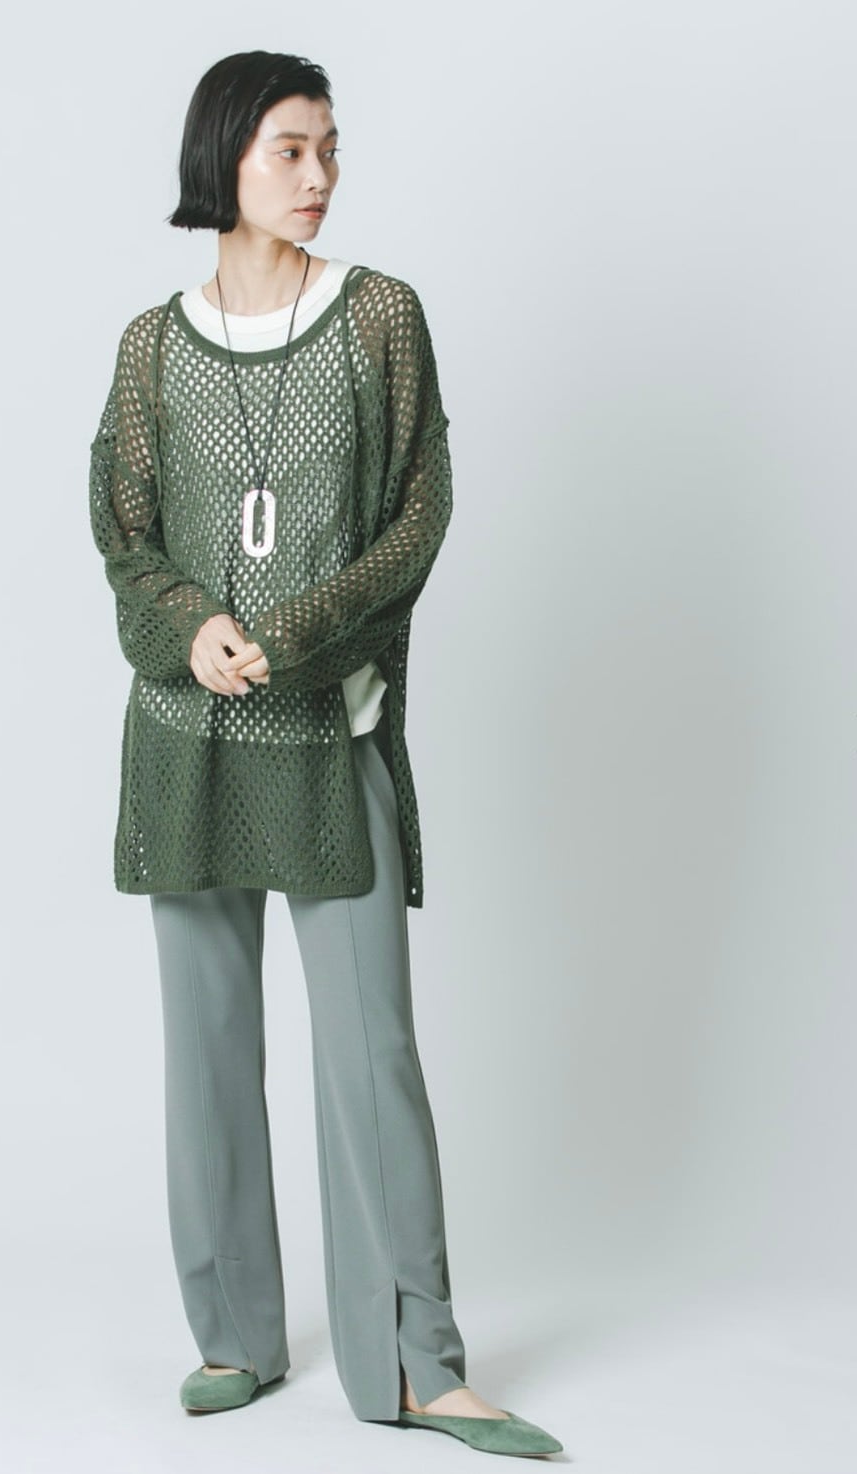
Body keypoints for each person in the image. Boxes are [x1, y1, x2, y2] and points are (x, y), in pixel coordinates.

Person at [88, 50, 563, 1459]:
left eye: (331, 148)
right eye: (290, 149)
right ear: (225, 157)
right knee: (205, 1054)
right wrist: (190, 628)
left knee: (371, 1058)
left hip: (324, 725)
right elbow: (123, 532)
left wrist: (289, 634)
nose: (320, 175)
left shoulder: (379, 319)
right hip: (189, 739)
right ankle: (235, 1335)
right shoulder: (150, 347)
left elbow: (418, 515)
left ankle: (417, 1363)